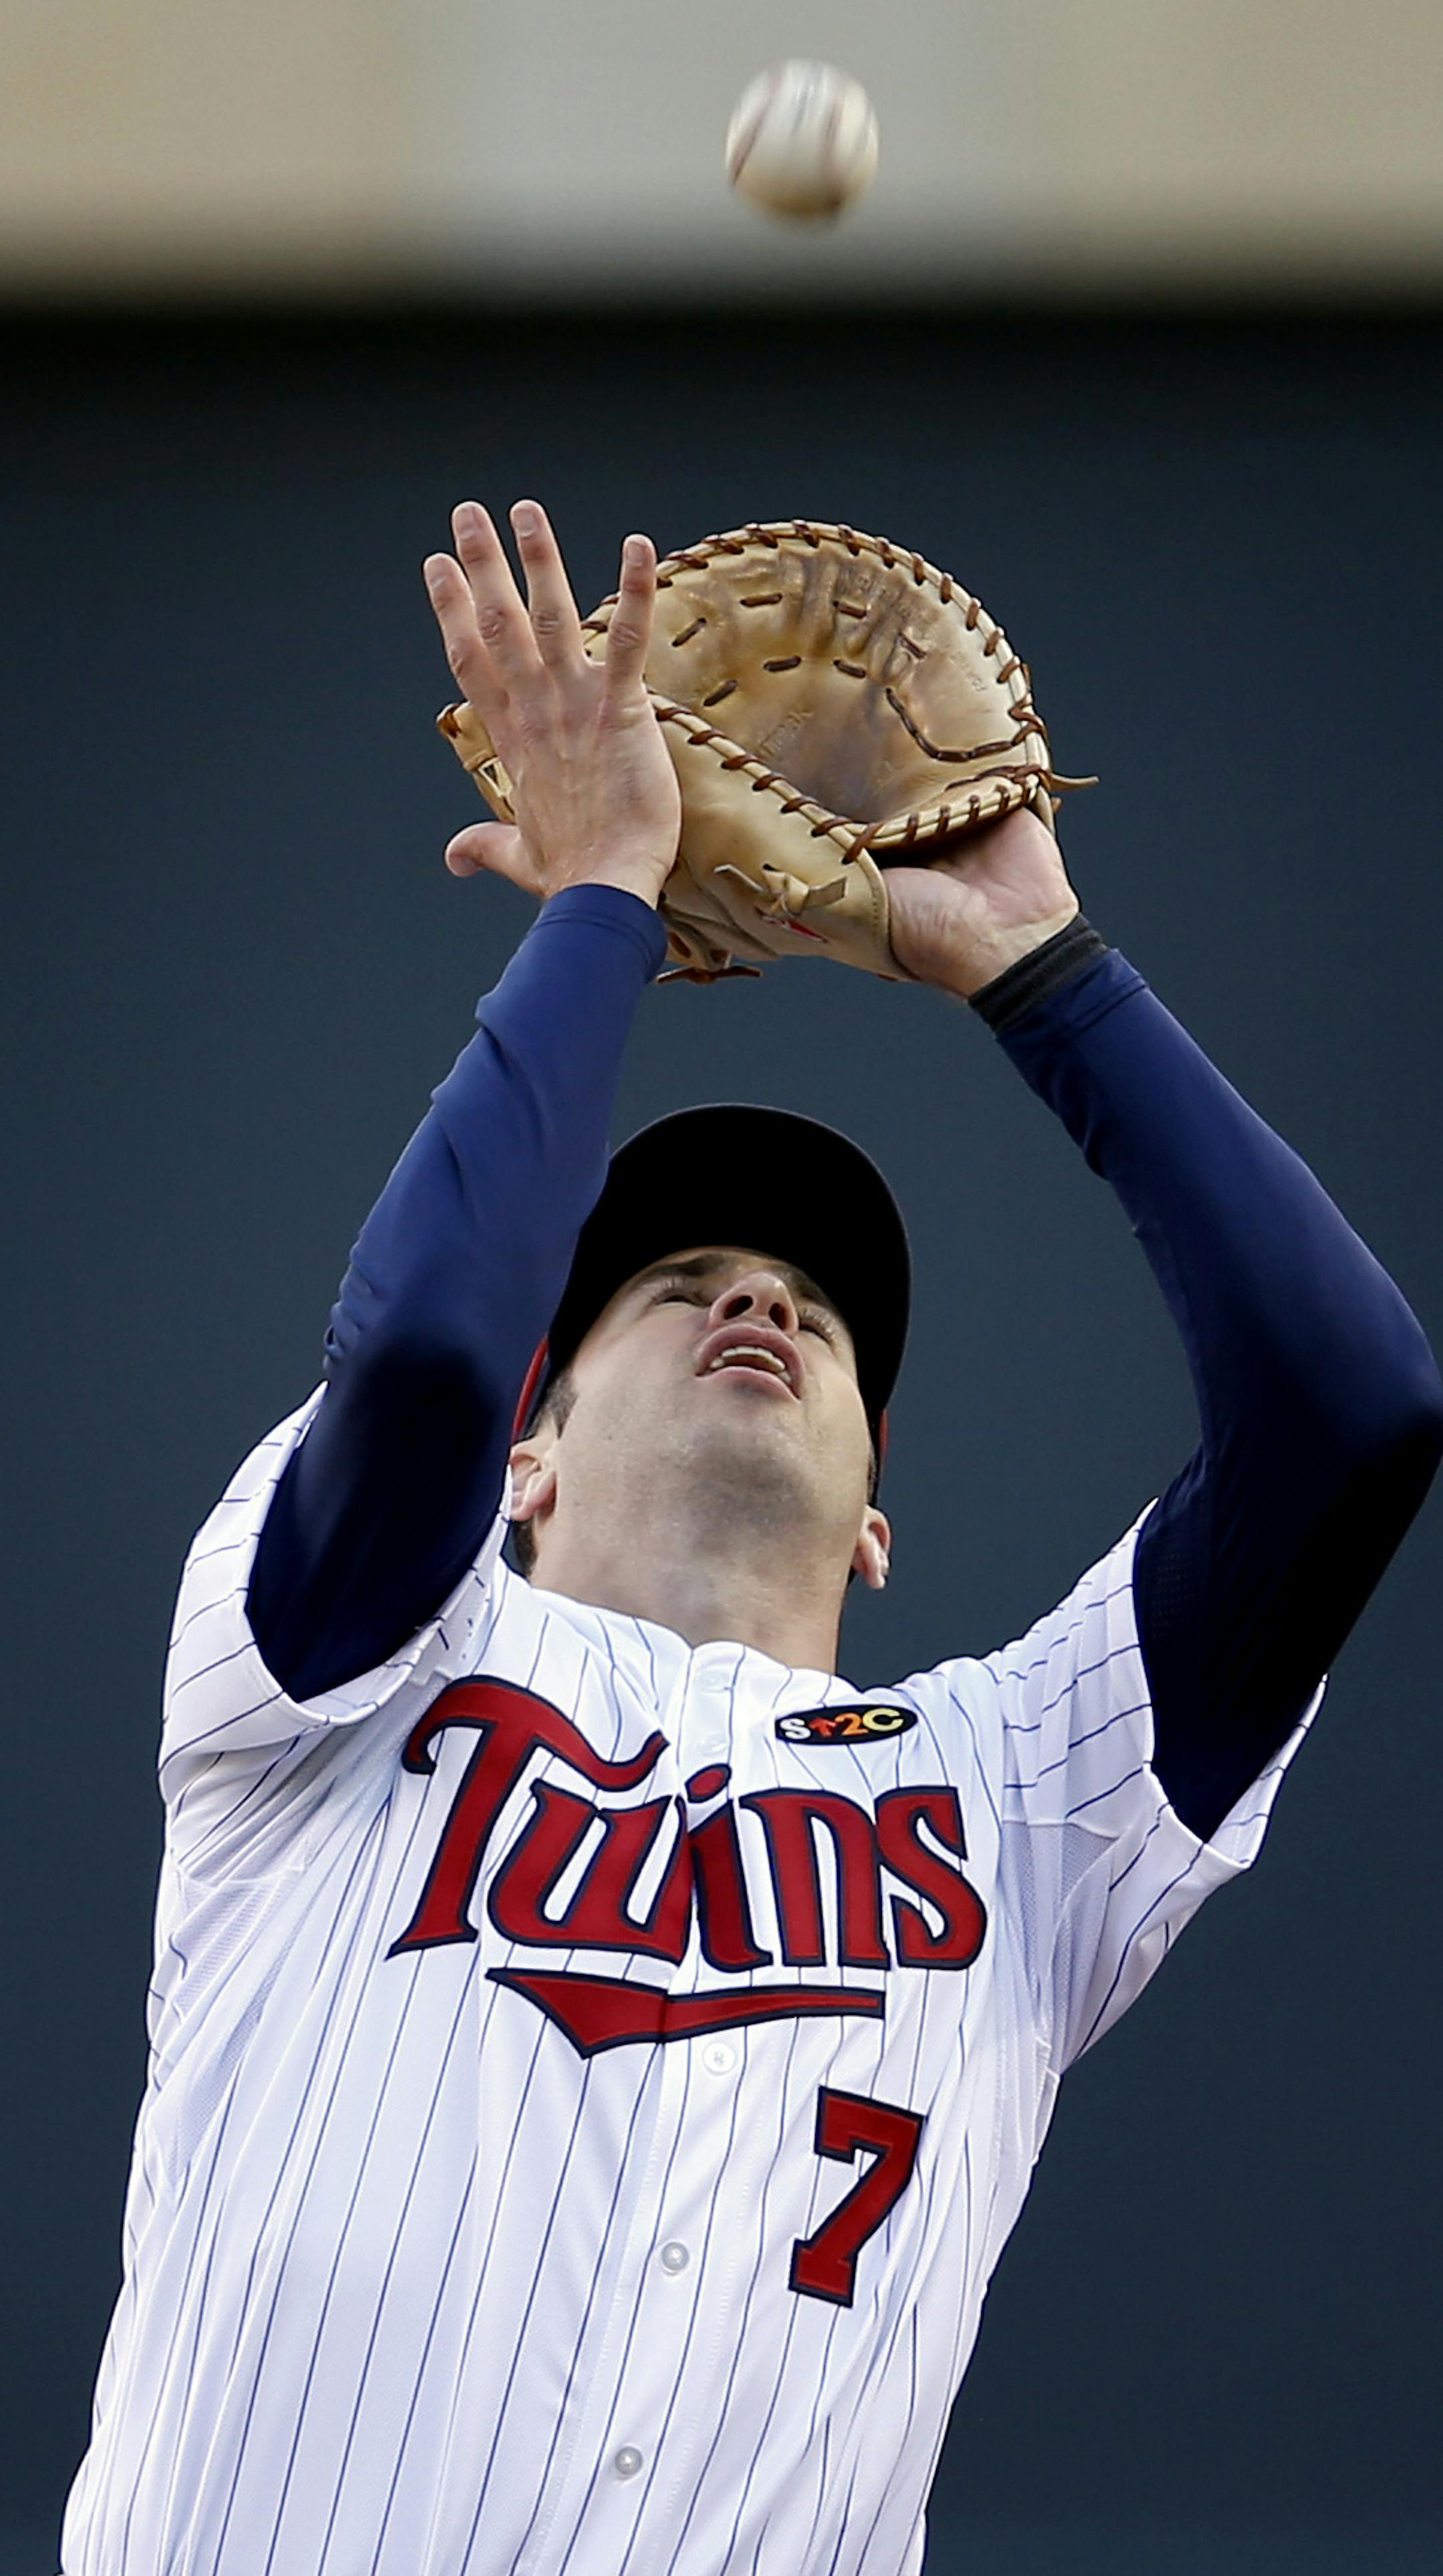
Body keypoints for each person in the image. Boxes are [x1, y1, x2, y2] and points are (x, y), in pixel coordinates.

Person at [61, 502, 1442, 2576]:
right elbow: (432, 1345)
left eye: (819, 1308)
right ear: (531, 1451)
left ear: (879, 1516)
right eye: (674, 1276)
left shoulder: (1012, 1799)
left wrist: (1043, 972)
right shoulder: (341, 1671)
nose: (763, 1300)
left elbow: (1355, 1417)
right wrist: (605, 888)